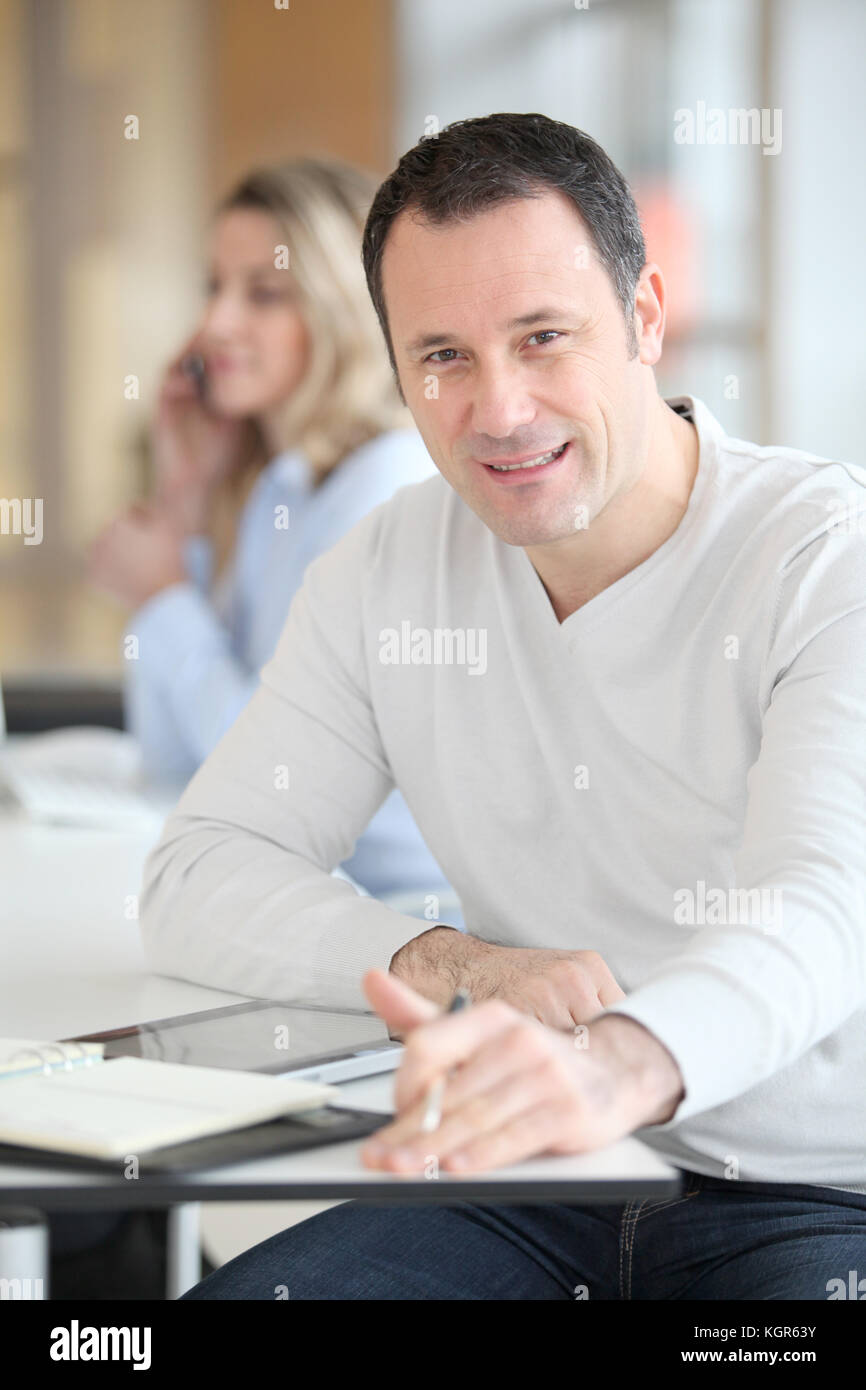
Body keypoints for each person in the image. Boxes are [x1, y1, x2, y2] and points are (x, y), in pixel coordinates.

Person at [139, 113, 866, 1299]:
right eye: (443, 356)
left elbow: (825, 901)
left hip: (816, 1193)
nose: (499, 409)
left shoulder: (825, 555)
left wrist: (621, 1063)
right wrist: (445, 962)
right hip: (535, 1178)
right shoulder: (386, 570)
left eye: (542, 338)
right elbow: (200, 872)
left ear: (643, 320)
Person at [89, 156, 458, 909]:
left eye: (263, 294)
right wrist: (184, 498)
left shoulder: (386, 484)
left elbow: (272, 772)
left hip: (406, 918)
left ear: (341, 311)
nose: (215, 325)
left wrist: (162, 597)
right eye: (213, 288)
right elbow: (174, 760)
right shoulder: (282, 487)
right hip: (316, 894)